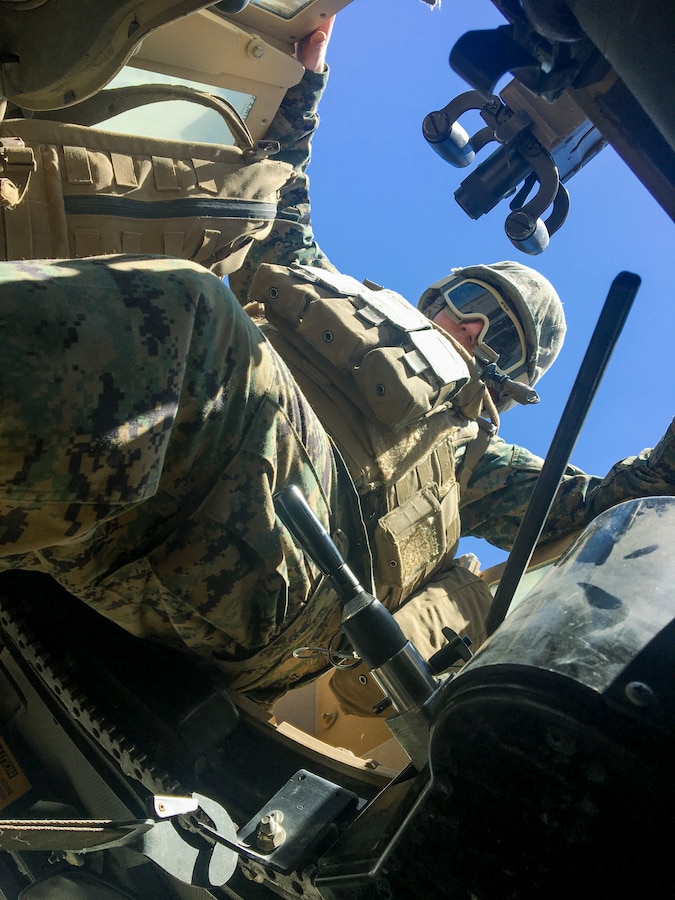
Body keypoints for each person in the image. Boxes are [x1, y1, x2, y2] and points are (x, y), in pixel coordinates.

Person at [0, 21, 672, 719]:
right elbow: (283, 202)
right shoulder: (322, 292)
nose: (472, 327)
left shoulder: (472, 455)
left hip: (294, 584)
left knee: (186, 309)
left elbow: (610, 508)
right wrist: (302, 85)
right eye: (473, 302)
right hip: (147, 500)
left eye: (499, 335)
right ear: (437, 296)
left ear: (509, 378)